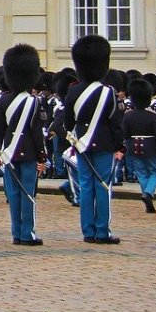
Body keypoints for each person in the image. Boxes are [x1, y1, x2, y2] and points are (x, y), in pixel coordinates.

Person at [63, 34, 124, 244]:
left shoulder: (73, 91)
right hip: (104, 144)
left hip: (82, 144)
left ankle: (88, 231)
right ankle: (102, 231)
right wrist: (119, 145)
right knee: (103, 187)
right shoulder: (108, 92)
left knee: (86, 186)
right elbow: (115, 122)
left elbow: (68, 122)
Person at [0, 44, 46, 245]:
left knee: (14, 193)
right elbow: (36, 132)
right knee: (28, 193)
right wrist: (42, 154)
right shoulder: (33, 102)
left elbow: (0, 129)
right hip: (29, 152)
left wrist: (3, 149)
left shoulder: (3, 100)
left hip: (9, 152)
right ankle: (27, 233)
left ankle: (16, 233)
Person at [123, 78, 156, 213]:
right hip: (150, 146)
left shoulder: (128, 115)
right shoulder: (152, 116)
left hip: (133, 146)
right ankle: (148, 193)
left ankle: (147, 197)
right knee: (155, 173)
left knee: (141, 173)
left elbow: (125, 134)